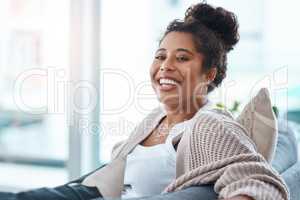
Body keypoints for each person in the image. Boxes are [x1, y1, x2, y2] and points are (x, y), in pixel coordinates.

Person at [0, 2, 289, 200]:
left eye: (182, 58)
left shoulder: (209, 123)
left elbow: (256, 177)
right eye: (160, 56)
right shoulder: (156, 117)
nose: (165, 66)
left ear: (209, 74)